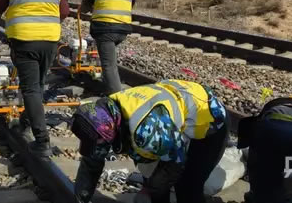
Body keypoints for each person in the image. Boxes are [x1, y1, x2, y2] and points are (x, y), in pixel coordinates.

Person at [71, 79, 228, 203]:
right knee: (154, 182)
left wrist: (149, 190)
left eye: (99, 141)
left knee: (187, 187)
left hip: (209, 120)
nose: (100, 145)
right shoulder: (103, 115)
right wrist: (81, 198)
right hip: (174, 120)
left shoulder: (147, 130)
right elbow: (92, 162)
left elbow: (175, 163)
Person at [0, 0, 69, 157]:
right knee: (38, 85)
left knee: (31, 89)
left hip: (24, 40)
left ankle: (42, 141)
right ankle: (24, 123)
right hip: (50, 40)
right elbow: (64, 12)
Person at [77, 0, 136, 94]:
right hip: (123, 29)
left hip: (105, 29)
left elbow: (87, 3)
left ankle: (116, 97)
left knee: (109, 65)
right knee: (109, 60)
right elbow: (130, 3)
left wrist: (84, 10)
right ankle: (108, 83)